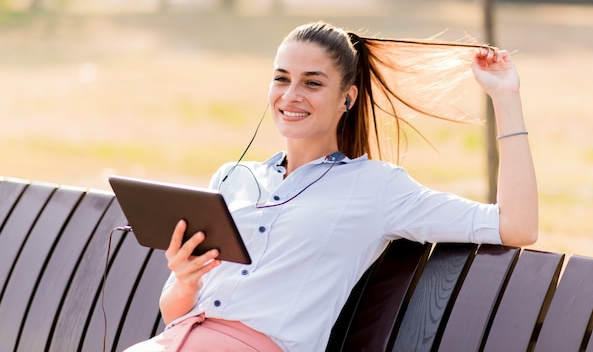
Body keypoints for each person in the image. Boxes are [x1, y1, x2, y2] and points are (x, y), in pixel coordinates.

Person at [125, 21, 538, 352]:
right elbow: (173, 311)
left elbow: (516, 226)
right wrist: (185, 278)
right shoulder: (232, 178)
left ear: (348, 97)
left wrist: (505, 97)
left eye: (312, 82)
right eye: (281, 78)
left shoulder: (377, 189)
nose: (290, 95)